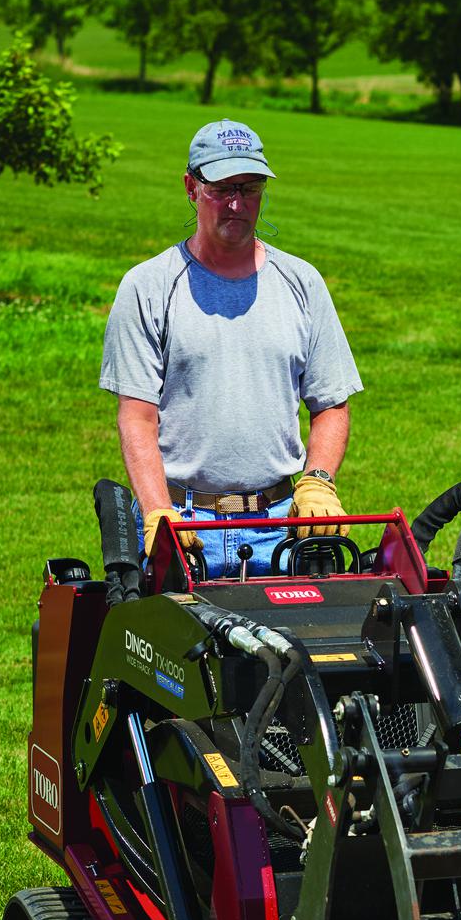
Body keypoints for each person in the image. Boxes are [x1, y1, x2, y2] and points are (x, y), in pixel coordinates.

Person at [99, 119, 362, 580]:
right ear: (191, 187)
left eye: (250, 187)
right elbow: (137, 415)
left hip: (282, 527)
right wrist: (159, 513)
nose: (238, 204)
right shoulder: (149, 286)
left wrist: (318, 483)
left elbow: (331, 405)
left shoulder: (302, 283)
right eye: (222, 188)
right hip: (185, 526)